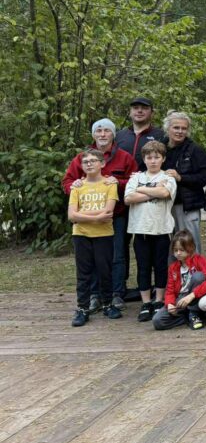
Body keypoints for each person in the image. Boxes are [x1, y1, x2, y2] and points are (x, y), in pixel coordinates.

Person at [62, 118, 136, 314]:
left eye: (107, 131)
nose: (103, 134)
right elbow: (68, 181)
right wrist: (74, 186)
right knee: (90, 260)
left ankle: (116, 293)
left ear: (113, 134)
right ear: (94, 134)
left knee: (117, 255)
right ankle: (94, 296)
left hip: (117, 215)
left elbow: (135, 179)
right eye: (99, 131)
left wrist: (117, 182)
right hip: (84, 218)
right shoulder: (82, 158)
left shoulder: (124, 157)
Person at [124, 140, 177, 323]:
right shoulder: (135, 177)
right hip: (140, 230)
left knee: (161, 266)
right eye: (149, 157)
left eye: (156, 157)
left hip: (161, 229)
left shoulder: (168, 178)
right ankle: (146, 302)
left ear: (163, 159)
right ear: (144, 159)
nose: (153, 161)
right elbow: (129, 198)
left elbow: (164, 194)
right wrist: (152, 188)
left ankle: (159, 300)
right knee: (143, 266)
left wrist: (143, 190)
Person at [68, 149, 119, 326]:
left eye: (93, 160)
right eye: (86, 162)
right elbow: (71, 216)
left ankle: (107, 304)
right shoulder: (77, 186)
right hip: (81, 235)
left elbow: (109, 211)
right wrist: (97, 218)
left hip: (104, 234)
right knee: (83, 273)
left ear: (102, 163)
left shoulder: (109, 184)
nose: (89, 164)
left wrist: (83, 214)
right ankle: (82, 308)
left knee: (105, 271)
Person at [161, 111, 206, 255]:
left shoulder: (196, 150)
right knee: (170, 247)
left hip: (187, 206)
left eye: (184, 128)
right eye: (176, 127)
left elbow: (204, 177)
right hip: (164, 204)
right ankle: (174, 276)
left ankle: (195, 276)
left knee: (189, 245)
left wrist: (181, 177)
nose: (180, 131)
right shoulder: (160, 148)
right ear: (167, 128)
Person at [152, 231, 206, 331]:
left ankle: (194, 313)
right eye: (175, 250)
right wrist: (170, 304)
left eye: (181, 250)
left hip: (195, 295)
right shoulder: (173, 267)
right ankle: (188, 317)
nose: (178, 253)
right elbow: (170, 290)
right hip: (181, 299)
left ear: (190, 248)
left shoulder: (199, 260)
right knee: (158, 321)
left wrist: (192, 295)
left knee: (198, 276)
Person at [116, 97, 165, 171]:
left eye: (144, 108)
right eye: (135, 108)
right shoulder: (119, 136)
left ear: (152, 113)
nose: (139, 111)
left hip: (150, 180)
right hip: (121, 180)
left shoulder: (162, 136)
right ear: (130, 112)